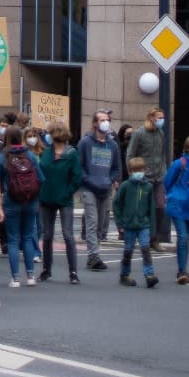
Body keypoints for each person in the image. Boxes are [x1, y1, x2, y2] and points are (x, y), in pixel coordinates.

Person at [0, 125, 44, 287]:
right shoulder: (30, 155)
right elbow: (41, 178)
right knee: (28, 237)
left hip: (11, 201)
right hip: (31, 201)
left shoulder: (1, 157)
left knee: (13, 239)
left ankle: (15, 278)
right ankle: (30, 276)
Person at [76, 110, 121, 271]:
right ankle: (94, 256)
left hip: (105, 189)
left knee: (101, 224)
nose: (105, 122)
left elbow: (116, 168)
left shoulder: (113, 145)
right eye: (102, 120)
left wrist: (110, 180)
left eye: (107, 119)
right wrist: (87, 180)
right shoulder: (85, 143)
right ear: (95, 123)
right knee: (92, 221)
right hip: (88, 188)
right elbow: (79, 165)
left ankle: (93, 255)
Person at [38, 123, 83, 284]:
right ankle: (46, 269)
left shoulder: (71, 153)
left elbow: (77, 177)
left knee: (67, 234)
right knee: (47, 235)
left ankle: (73, 272)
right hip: (46, 198)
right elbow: (40, 173)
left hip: (64, 199)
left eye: (50, 133)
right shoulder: (46, 152)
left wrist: (67, 193)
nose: (48, 136)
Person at [163, 135, 189, 285]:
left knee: (186, 238)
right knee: (182, 237)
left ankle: (183, 269)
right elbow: (167, 182)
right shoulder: (179, 163)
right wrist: (172, 196)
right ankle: (182, 271)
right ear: (188, 148)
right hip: (178, 205)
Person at [127, 107, 169, 249]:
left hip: (158, 177)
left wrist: (164, 171)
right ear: (151, 117)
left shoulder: (161, 133)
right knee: (142, 208)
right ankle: (139, 236)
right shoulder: (140, 133)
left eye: (163, 117)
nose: (162, 120)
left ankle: (154, 238)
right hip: (143, 178)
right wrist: (132, 174)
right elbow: (130, 154)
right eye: (159, 117)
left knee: (160, 208)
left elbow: (163, 155)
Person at [113, 157, 158, 288]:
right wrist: (120, 223)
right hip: (128, 225)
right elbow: (116, 204)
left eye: (141, 170)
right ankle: (124, 275)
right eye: (135, 170)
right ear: (130, 171)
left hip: (143, 224)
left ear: (145, 170)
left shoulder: (148, 187)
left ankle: (149, 275)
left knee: (145, 249)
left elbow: (151, 209)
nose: (139, 172)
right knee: (128, 250)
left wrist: (152, 229)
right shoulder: (125, 186)